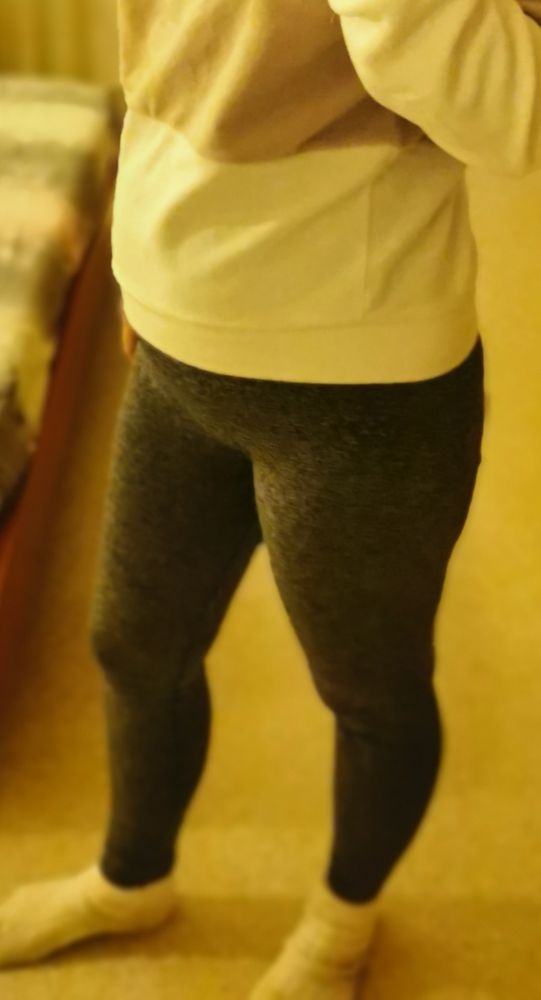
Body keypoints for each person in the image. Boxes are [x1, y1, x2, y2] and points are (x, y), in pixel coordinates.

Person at [1, 1, 540, 997]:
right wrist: (137, 263)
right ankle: (131, 879)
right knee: (134, 646)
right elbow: (172, 59)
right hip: (173, 346)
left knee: (369, 694)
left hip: (367, 377)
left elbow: (515, 117)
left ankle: (341, 924)